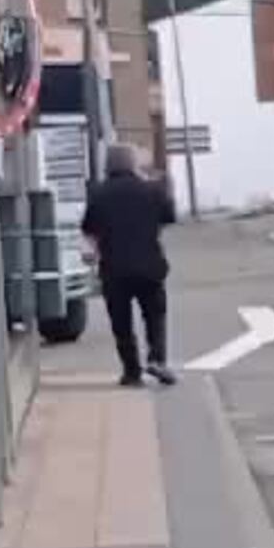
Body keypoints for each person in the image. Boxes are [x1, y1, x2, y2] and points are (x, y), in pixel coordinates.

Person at [81, 143, 177, 387]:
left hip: (114, 269)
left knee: (121, 323)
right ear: (133, 163)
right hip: (149, 265)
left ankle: (131, 371)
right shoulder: (151, 190)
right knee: (154, 315)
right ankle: (157, 358)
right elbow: (169, 217)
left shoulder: (99, 194)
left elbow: (89, 230)